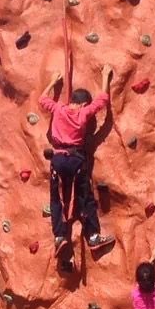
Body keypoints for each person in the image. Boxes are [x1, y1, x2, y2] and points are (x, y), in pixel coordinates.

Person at [41, 67, 116, 261]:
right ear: (83, 104)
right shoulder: (83, 114)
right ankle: (92, 236)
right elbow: (103, 100)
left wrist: (53, 81)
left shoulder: (58, 109)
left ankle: (59, 236)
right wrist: (105, 76)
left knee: (57, 199)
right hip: (76, 160)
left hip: (58, 159)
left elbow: (42, 100)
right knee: (85, 198)